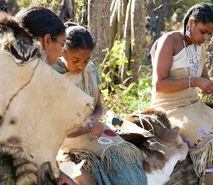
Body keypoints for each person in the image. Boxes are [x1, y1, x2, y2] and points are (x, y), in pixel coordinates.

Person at [52, 25, 147, 185]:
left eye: (86, 60)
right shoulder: (52, 74)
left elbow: (98, 107)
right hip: (67, 137)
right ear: (63, 51)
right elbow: (57, 127)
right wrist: (88, 126)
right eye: (75, 60)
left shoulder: (90, 71)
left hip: (92, 128)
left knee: (126, 156)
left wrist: (93, 121)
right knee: (102, 168)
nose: (81, 66)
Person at [150, 3, 213, 184]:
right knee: (210, 145)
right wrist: (194, 82)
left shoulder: (199, 46)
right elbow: (159, 84)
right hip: (169, 107)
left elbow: (204, 81)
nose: (206, 37)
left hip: (194, 106)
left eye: (210, 34)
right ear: (192, 23)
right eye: (203, 32)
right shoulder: (169, 41)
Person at [0, 8, 75, 185]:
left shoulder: (3, 50)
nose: (62, 52)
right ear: (47, 40)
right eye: (62, 45)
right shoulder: (31, 67)